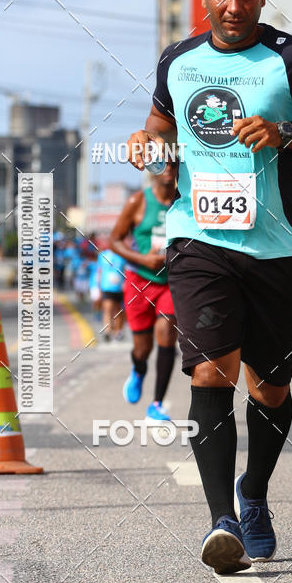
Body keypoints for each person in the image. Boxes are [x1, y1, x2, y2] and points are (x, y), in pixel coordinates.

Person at [126, 0, 292, 573]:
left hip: (280, 246)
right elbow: (160, 123)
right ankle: (221, 518)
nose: (235, 5)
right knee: (209, 373)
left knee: (272, 389)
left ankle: (253, 494)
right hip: (200, 240)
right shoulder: (178, 60)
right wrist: (147, 142)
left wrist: (290, 133)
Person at [109, 164, 177, 422]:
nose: (169, 168)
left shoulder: (185, 200)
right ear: (152, 170)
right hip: (140, 281)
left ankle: (157, 404)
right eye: (163, 163)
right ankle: (138, 371)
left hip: (170, 282)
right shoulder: (138, 201)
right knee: (142, 348)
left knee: (167, 331)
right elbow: (114, 240)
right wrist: (142, 259)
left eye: (174, 163)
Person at [96, 247, 126, 341]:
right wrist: (99, 286)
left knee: (118, 311)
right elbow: (99, 271)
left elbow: (125, 270)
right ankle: (107, 331)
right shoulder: (102, 255)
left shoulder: (122, 255)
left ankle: (118, 331)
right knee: (107, 309)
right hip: (106, 287)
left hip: (119, 288)